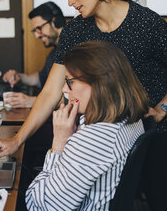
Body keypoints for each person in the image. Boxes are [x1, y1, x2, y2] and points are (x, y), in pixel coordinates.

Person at [0, 0, 167, 211]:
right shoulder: (76, 30)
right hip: (110, 132)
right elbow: (51, 91)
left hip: (142, 132)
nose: (69, 2)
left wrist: (163, 108)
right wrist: (17, 140)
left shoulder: (147, 23)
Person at [25, 41, 149, 210]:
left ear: (100, 84)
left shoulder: (93, 139)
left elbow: (42, 207)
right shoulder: (130, 118)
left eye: (70, 82)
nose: (64, 89)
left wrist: (59, 143)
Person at [2, 1, 65, 108]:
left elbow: (75, 97)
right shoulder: (54, 53)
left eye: (39, 29)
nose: (36, 35)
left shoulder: (74, 51)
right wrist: (19, 76)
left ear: (54, 22)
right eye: (35, 31)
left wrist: (32, 101)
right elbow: (40, 79)